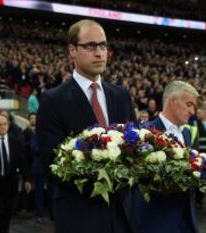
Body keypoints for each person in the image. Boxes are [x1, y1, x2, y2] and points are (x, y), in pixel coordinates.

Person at [36, 19, 136, 233]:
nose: (99, 53)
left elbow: (135, 147)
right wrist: (102, 173)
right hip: (80, 217)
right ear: (72, 50)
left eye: (103, 45)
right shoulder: (53, 100)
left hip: (122, 216)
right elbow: (50, 164)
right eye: (91, 46)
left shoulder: (121, 95)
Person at [131, 81, 199, 233]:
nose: (192, 111)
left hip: (187, 220)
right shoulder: (144, 132)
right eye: (189, 104)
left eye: (193, 106)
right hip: (156, 221)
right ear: (173, 100)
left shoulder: (187, 133)